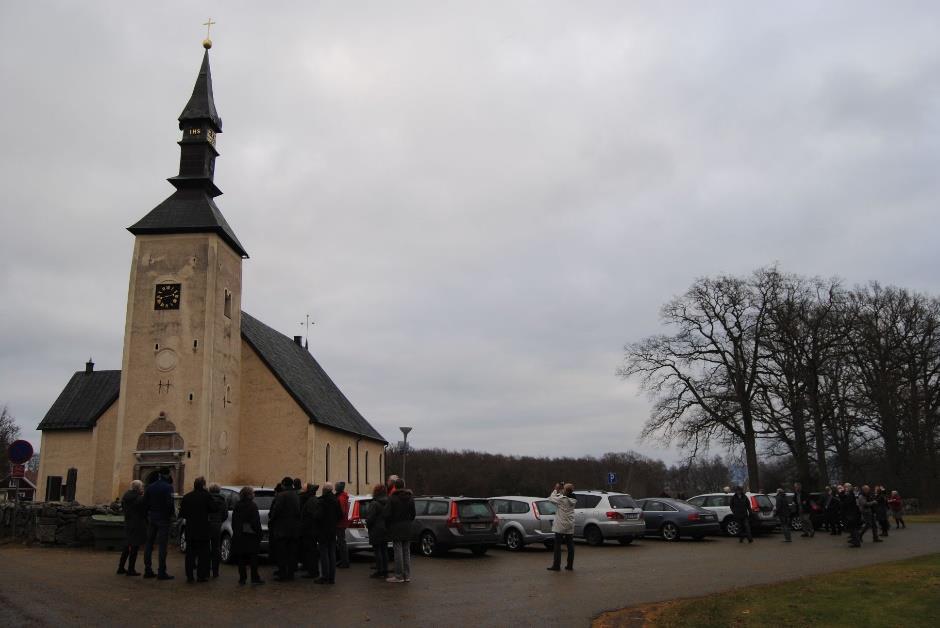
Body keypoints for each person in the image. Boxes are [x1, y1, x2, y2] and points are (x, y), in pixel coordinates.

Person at [179, 476, 217, 583]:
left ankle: (190, 576)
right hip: (203, 529)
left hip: (190, 529)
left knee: (190, 554)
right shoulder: (206, 496)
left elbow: (182, 513)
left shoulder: (187, 497)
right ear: (203, 485)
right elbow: (214, 508)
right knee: (203, 554)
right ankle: (201, 576)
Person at [142, 468, 175, 580]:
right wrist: (170, 516)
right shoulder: (168, 487)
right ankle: (161, 571)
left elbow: (144, 503)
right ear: (167, 475)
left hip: (152, 517)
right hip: (163, 519)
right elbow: (170, 504)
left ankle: (147, 570)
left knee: (149, 544)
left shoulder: (150, 487)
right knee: (162, 546)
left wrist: (147, 515)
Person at [268, 476, 301, 581]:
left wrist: (272, 520)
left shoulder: (281, 496)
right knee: (291, 553)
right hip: (294, 529)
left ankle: (283, 574)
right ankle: (290, 574)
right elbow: (298, 511)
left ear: (283, 484)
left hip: (282, 529)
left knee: (281, 553)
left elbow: (276, 511)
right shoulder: (296, 495)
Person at [384, 477, 416, 583]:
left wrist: (389, 525)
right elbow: (413, 514)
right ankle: (407, 575)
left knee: (398, 551)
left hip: (396, 527)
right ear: (404, 486)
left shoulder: (392, 498)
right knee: (406, 551)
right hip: (407, 527)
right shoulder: (410, 498)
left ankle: (398, 576)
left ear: (395, 486)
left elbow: (387, 514)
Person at [231, 486, 264, 585]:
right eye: (253, 493)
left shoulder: (237, 505)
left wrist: (236, 532)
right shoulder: (252, 506)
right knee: (253, 558)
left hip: (239, 535)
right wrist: (259, 533)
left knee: (241, 558)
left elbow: (234, 521)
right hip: (251, 536)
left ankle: (242, 578)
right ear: (249, 495)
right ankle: (254, 578)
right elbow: (256, 523)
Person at [314, 482, 343, 584]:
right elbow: (340, 515)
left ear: (324, 490)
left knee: (324, 554)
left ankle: (325, 576)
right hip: (332, 530)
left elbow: (318, 516)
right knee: (332, 553)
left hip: (323, 531)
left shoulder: (322, 501)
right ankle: (332, 577)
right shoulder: (336, 500)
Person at [117, 480, 146, 576]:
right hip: (136, 523)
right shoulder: (138, 498)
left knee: (127, 545)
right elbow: (143, 510)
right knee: (134, 546)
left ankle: (121, 567)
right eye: (142, 487)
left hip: (128, 522)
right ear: (138, 488)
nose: (143, 488)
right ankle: (131, 569)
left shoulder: (126, 496)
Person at [547, 482, 577, 570]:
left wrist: (556, 489)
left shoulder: (562, 499)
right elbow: (566, 495)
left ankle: (556, 565)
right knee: (570, 545)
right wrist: (561, 492)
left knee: (557, 545)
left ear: (566, 491)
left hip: (560, 525)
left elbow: (551, 498)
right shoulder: (573, 499)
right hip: (570, 524)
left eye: (563, 488)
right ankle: (570, 565)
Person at [366, 484, 389, 579]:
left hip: (376, 529)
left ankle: (380, 571)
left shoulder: (374, 503)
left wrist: (368, 525)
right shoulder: (388, 502)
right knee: (384, 550)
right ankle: (385, 570)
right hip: (386, 529)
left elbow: (370, 518)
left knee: (377, 551)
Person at [300, 484, 321, 579]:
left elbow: (312, 517)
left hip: (310, 531)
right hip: (311, 530)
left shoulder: (311, 501)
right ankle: (312, 570)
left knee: (311, 551)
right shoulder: (313, 500)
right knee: (311, 551)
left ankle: (313, 571)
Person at [207, 483, 229, 578]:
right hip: (217, 525)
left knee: (206, 547)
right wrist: (219, 520)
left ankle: (206, 569)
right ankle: (215, 571)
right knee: (216, 548)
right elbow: (225, 515)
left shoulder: (207, 499)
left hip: (207, 524)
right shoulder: (222, 501)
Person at [335, 481, 351, 569]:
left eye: (336, 486)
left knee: (341, 543)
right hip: (342, 522)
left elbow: (342, 511)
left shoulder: (341, 497)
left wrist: (335, 519)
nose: (335, 487)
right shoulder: (342, 496)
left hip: (340, 523)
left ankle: (344, 561)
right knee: (341, 542)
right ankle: (343, 560)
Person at [841, 483, 862, 548]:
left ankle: (856, 542)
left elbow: (846, 503)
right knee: (852, 528)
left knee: (853, 528)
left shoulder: (851, 495)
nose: (844, 488)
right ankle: (855, 540)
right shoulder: (850, 494)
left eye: (845, 487)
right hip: (852, 514)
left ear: (848, 487)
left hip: (852, 514)